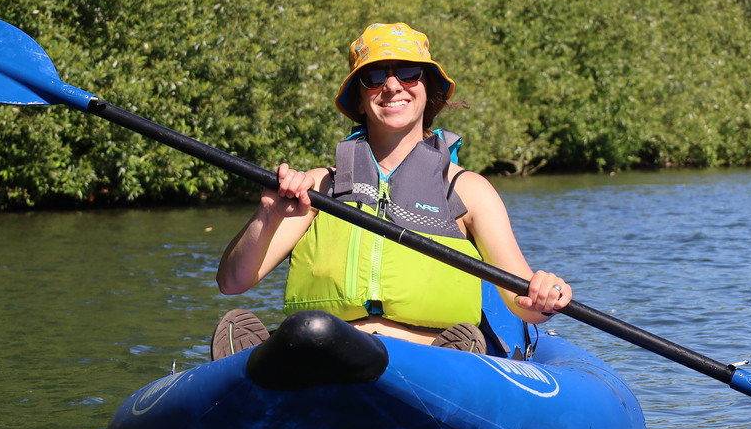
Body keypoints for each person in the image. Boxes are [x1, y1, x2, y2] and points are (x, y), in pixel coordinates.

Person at [211, 22, 573, 359]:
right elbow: (232, 281)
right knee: (299, 331)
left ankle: (460, 359)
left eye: (408, 73)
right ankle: (264, 367)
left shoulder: (468, 189)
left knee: (444, 348)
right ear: (358, 97)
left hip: (429, 356)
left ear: (428, 87)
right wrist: (268, 215)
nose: (393, 85)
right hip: (325, 349)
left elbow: (520, 301)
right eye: (373, 76)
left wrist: (543, 294)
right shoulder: (319, 186)